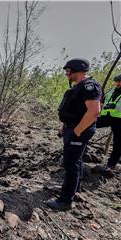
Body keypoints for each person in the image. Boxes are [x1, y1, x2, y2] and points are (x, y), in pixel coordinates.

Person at [46, 58, 102, 211]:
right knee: (75, 161)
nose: (66, 74)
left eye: (68, 71)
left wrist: (77, 131)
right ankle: (75, 189)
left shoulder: (90, 86)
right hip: (72, 128)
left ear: (77, 70)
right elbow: (74, 110)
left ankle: (65, 201)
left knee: (71, 163)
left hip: (79, 130)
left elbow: (95, 111)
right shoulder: (79, 87)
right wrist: (65, 126)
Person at [97, 74, 121, 171]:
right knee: (88, 125)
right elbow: (102, 102)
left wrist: (114, 106)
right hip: (105, 117)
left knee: (118, 144)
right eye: (116, 81)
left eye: (119, 81)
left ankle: (111, 165)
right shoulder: (110, 91)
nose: (117, 83)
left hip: (119, 121)